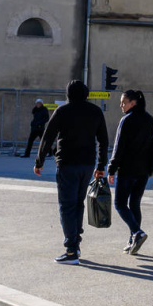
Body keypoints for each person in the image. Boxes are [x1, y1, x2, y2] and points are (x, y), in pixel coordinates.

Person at [32, 80, 108, 265]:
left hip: (67, 163)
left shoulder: (63, 111)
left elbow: (48, 137)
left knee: (67, 206)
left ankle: (71, 250)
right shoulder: (95, 111)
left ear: (68, 94)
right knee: (78, 203)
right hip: (87, 164)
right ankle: (76, 243)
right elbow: (104, 140)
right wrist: (101, 166)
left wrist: (39, 161)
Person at [107, 89, 153, 256]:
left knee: (120, 204)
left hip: (128, 170)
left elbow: (118, 147)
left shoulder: (126, 120)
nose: (121, 105)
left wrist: (111, 169)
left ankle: (137, 232)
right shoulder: (149, 119)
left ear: (133, 103)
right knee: (135, 203)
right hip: (143, 171)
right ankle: (133, 240)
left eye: (124, 102)